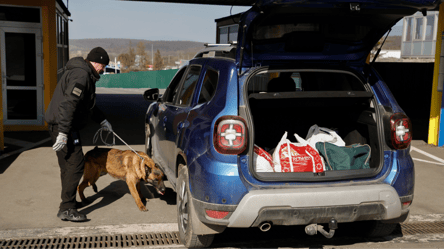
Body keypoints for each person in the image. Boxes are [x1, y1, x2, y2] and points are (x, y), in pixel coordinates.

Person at [45, 47, 113, 222]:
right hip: (64, 126)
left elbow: (88, 104)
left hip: (62, 125)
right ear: (96, 62)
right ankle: (66, 208)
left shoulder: (83, 73)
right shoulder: (81, 75)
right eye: (103, 66)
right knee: (76, 165)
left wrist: (102, 120)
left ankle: (68, 203)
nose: (103, 70)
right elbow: (69, 104)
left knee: (67, 166)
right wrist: (63, 132)